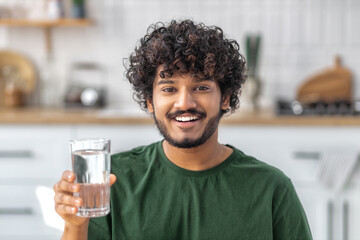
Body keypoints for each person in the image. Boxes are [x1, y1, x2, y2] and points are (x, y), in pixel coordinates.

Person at [54, 19, 313, 240]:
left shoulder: (272, 189)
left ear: (225, 98)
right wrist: (74, 226)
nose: (185, 103)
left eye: (201, 87)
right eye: (169, 89)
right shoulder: (112, 182)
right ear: (149, 101)